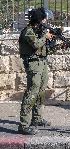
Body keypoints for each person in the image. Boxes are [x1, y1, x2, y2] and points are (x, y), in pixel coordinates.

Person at [18, 7, 54, 135]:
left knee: (41, 92)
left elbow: (44, 47)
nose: (45, 22)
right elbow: (36, 45)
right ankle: (23, 125)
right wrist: (45, 36)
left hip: (42, 63)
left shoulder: (37, 31)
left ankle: (37, 118)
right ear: (38, 19)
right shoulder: (28, 32)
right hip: (33, 65)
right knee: (32, 92)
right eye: (43, 19)